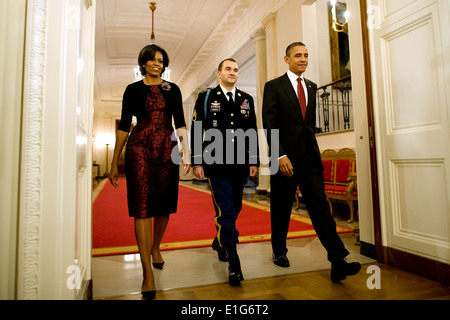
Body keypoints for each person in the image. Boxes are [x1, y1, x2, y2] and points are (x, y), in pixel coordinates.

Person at [262, 42, 361, 282]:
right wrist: (280, 155)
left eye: (306, 55)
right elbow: (269, 124)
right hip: (284, 158)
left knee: (319, 209)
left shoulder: (312, 87)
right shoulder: (274, 86)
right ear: (287, 59)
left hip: (309, 159)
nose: (303, 59)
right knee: (282, 208)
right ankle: (279, 251)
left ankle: (338, 260)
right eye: (298, 55)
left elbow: (307, 126)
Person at [109, 44, 190, 299]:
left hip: (168, 147)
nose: (158, 63)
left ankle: (156, 247)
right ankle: (147, 272)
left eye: (161, 60)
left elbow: (181, 122)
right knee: (142, 206)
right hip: (139, 148)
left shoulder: (172, 89)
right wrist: (113, 162)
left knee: (164, 204)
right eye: (153, 60)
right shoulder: (132, 90)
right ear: (143, 62)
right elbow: (124, 125)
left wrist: (187, 151)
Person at [190, 58, 258, 285]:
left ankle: (219, 241)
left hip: (239, 163)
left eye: (235, 69)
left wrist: (253, 160)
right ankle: (234, 262)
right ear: (218, 74)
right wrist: (197, 161)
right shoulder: (207, 97)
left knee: (235, 206)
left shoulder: (246, 99)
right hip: (215, 162)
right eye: (228, 69)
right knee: (226, 209)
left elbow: (251, 130)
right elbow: (196, 128)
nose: (232, 72)